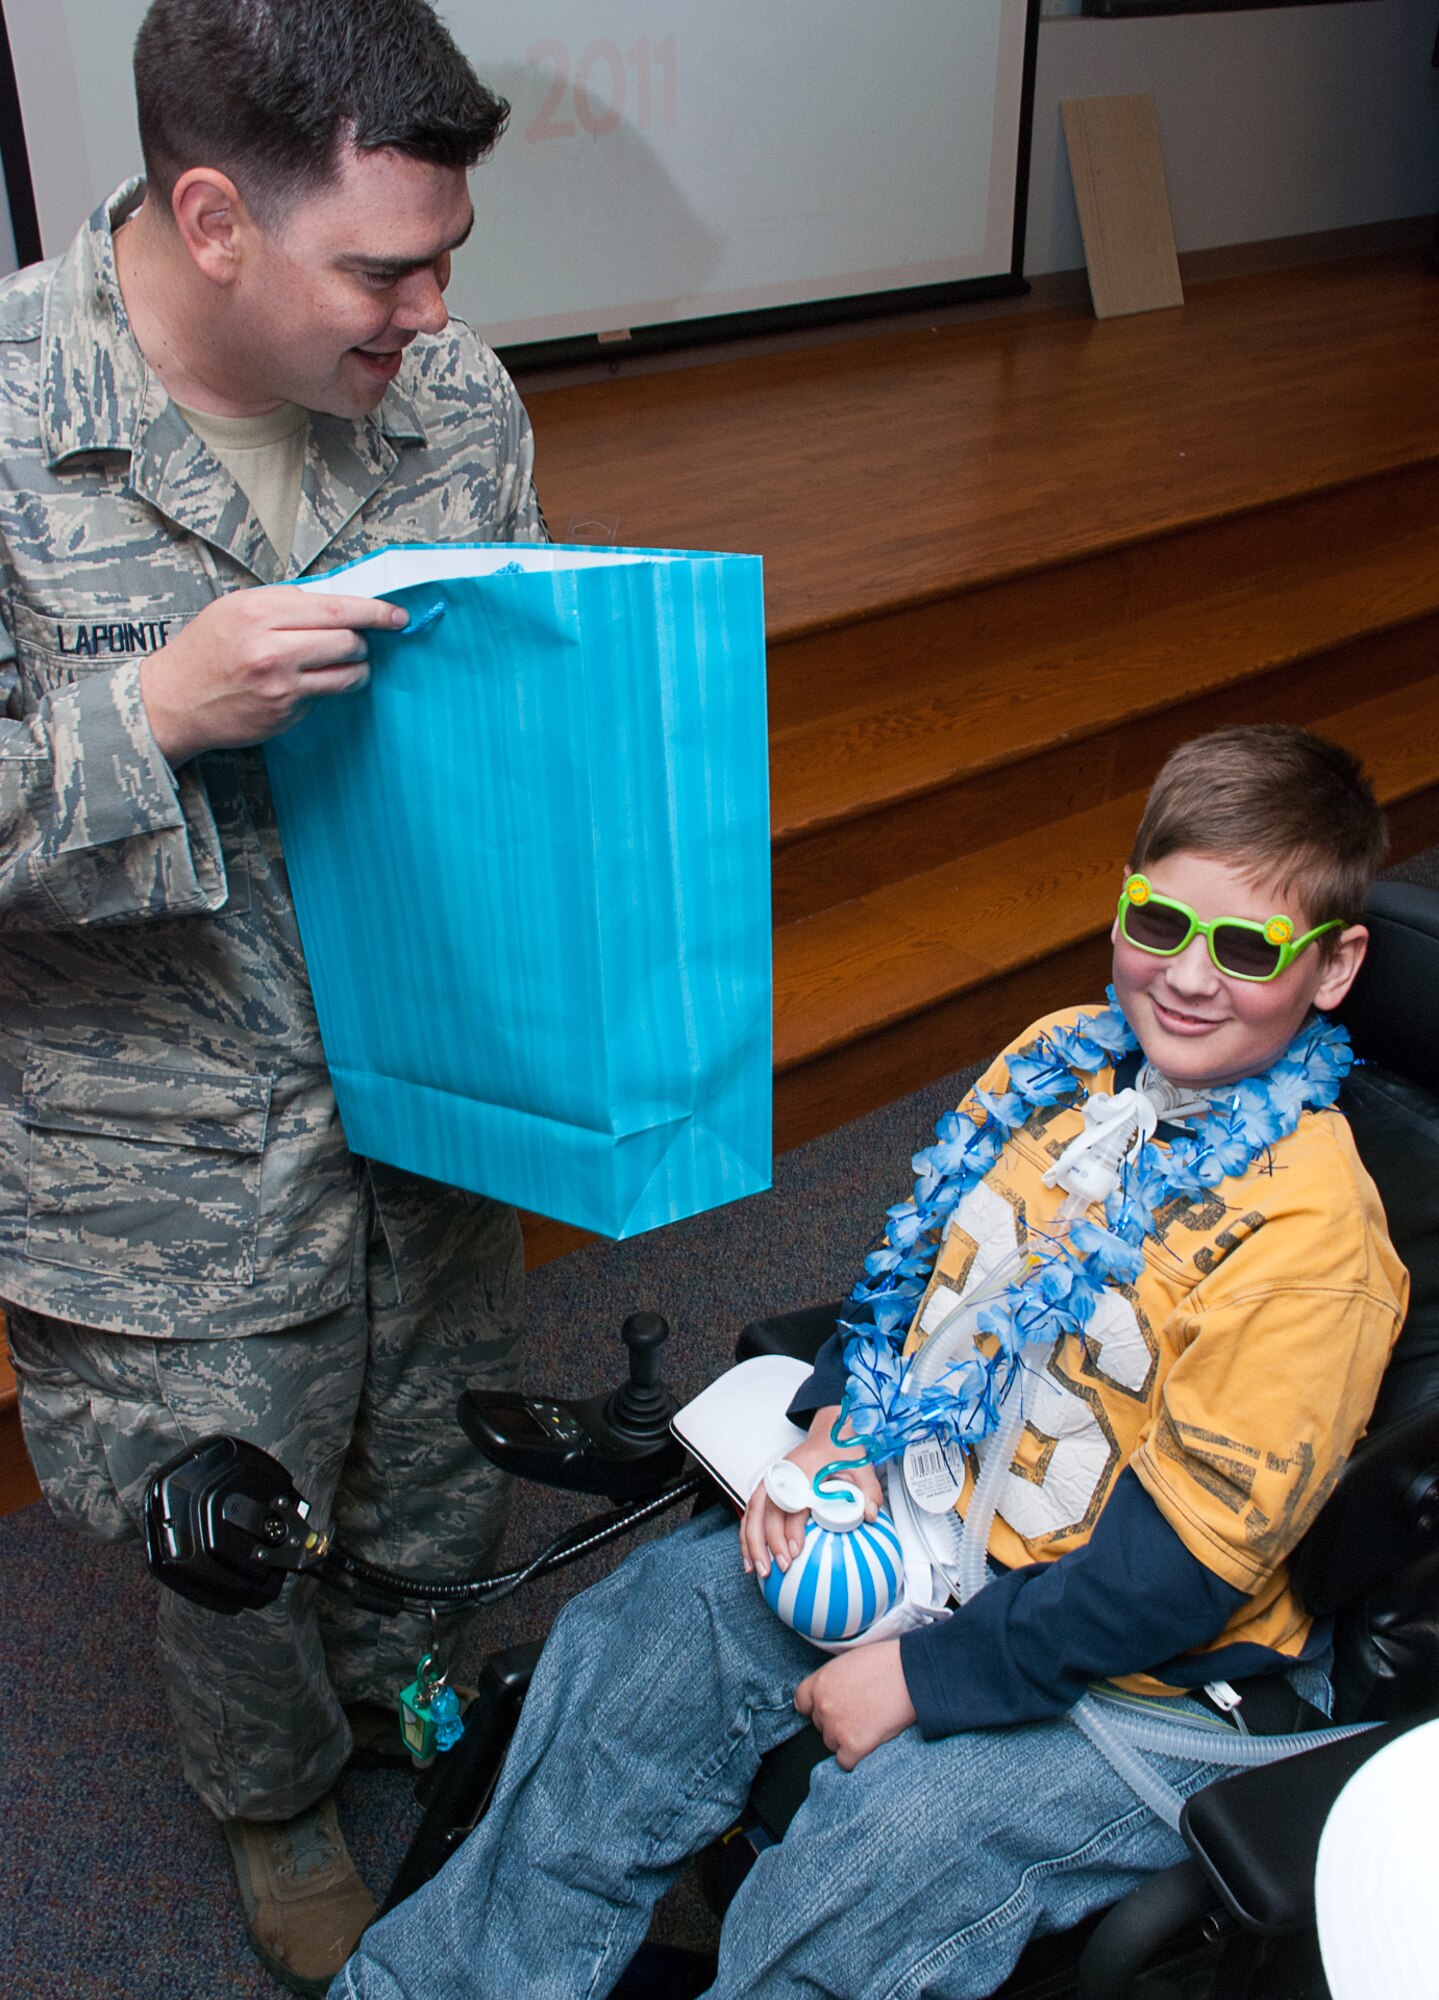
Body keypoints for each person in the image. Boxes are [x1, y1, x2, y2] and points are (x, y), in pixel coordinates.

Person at [333, 724, 1409, 2000]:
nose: (1184, 976)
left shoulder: (1311, 1243)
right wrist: (841, 1411)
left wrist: (918, 1676)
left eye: (1244, 947)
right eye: (1156, 921)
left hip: (1135, 1670)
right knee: (642, 1637)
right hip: (920, 1536)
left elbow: (1166, 1580)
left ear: (1332, 966)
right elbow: (915, 1277)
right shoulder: (1056, 1058)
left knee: (869, 1859)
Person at [0, 2, 546, 1989]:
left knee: (432, 1459)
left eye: (445, 262)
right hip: (163, 1160)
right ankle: (275, 1803)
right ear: (214, 214)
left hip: (427, 1094)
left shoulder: (454, 400)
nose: (427, 312)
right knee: (226, 1543)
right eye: (382, 268)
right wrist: (146, 713)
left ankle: (407, 1695)